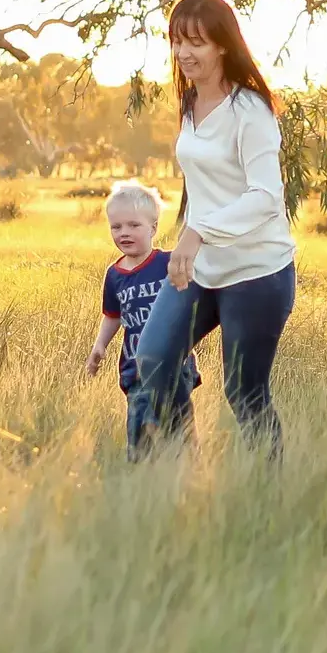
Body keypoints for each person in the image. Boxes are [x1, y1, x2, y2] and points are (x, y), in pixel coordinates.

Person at [130, 0, 297, 456]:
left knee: (244, 393)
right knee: (155, 357)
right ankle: (184, 459)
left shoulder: (251, 110)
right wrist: (193, 236)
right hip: (200, 268)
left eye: (196, 42)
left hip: (257, 271)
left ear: (222, 45)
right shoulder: (189, 104)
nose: (184, 53)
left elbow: (266, 197)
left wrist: (198, 232)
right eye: (177, 41)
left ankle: (271, 491)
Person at [84, 179, 197, 453]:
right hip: (135, 367)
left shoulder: (167, 264)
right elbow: (113, 315)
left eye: (134, 225)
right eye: (116, 226)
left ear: (153, 228)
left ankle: (187, 466)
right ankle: (142, 473)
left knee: (178, 425)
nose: (124, 232)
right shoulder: (114, 275)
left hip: (174, 363)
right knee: (139, 426)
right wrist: (100, 345)